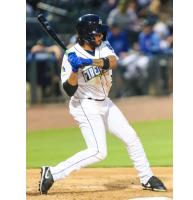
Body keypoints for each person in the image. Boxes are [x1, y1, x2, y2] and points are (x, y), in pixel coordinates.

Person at [39, 14, 167, 195]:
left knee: (131, 137)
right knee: (99, 151)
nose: (100, 36)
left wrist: (88, 62)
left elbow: (112, 62)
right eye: (96, 34)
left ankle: (146, 177)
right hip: (84, 105)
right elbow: (69, 90)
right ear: (85, 35)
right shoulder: (70, 57)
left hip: (105, 102)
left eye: (100, 33)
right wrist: (75, 70)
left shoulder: (103, 46)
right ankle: (52, 172)